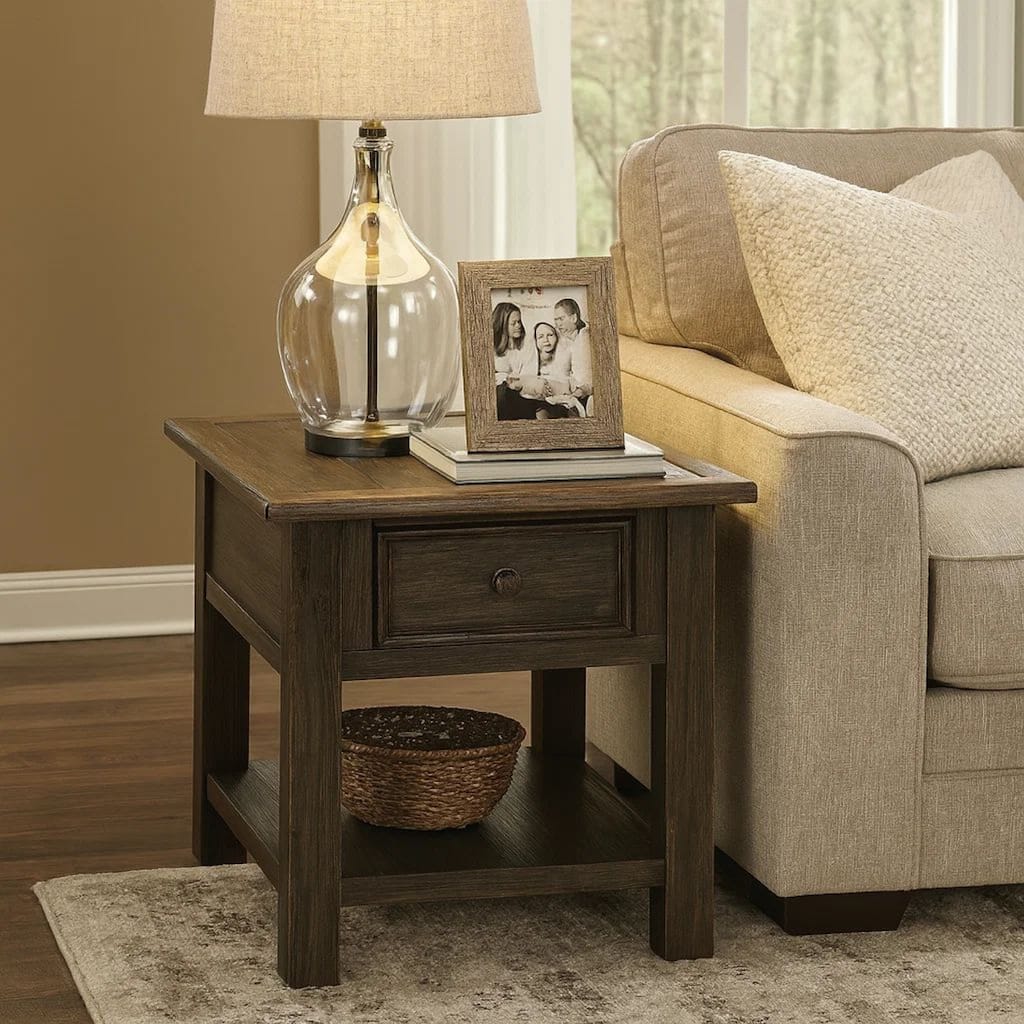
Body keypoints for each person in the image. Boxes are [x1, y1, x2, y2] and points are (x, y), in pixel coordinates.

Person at [553, 297, 594, 414]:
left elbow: (590, 379)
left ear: (574, 318)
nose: (557, 324)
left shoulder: (585, 337)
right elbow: (562, 373)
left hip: (585, 395)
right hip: (573, 393)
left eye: (561, 319)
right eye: (556, 320)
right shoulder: (566, 341)